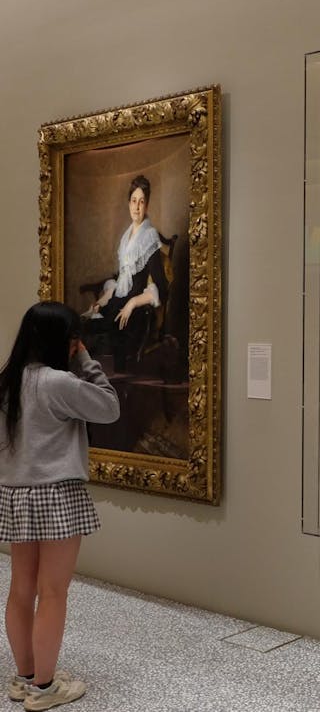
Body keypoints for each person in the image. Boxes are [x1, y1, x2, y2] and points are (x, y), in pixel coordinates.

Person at [0, 302, 120, 710]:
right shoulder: (57, 383)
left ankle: (25, 678)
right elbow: (109, 406)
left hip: (15, 493)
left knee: (21, 590)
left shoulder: (7, 381)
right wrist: (86, 359)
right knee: (53, 593)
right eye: (73, 338)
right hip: (56, 495)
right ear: (63, 341)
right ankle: (45, 689)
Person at [82, 175, 168, 372]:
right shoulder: (126, 237)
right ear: (129, 203)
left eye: (142, 202)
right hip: (119, 301)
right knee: (87, 321)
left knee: (100, 330)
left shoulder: (150, 236)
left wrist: (132, 303)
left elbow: (161, 288)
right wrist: (102, 301)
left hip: (136, 310)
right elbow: (121, 279)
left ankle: (115, 383)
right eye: (134, 201)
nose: (137, 207)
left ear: (147, 205)